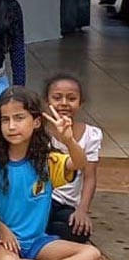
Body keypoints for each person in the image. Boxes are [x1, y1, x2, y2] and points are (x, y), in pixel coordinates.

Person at [0, 87, 103, 260]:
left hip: (38, 241)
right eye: (5, 120)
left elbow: (79, 163)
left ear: (36, 122)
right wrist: (2, 229)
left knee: (91, 253)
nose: (11, 126)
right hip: (1, 240)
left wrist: (68, 140)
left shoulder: (47, 161)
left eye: (19, 118)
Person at [44, 73, 101, 243]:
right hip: (39, 200)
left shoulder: (91, 135)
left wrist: (82, 210)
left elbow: (90, 177)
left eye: (71, 98)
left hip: (66, 205)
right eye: (57, 97)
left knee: (79, 231)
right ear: (47, 100)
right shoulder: (39, 131)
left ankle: (42, 235)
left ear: (80, 102)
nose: (63, 103)